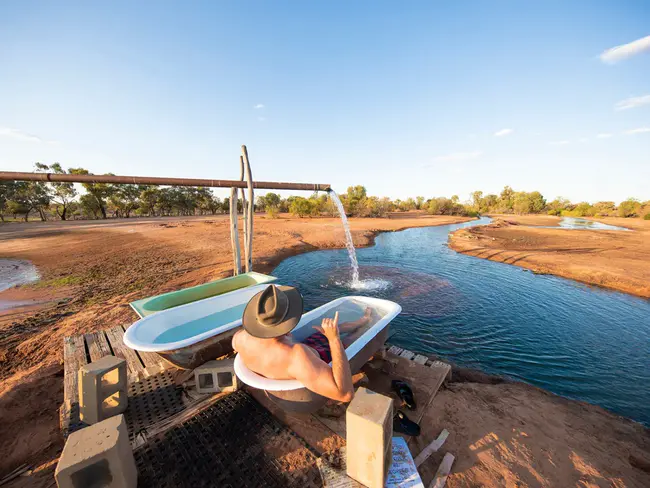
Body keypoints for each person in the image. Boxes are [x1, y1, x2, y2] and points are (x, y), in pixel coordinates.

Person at [232, 284, 372, 403]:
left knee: (329, 330)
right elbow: (345, 394)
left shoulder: (240, 338)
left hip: (302, 355)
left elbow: (243, 347)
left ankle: (362, 320)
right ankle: (366, 325)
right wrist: (334, 339)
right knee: (349, 340)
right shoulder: (297, 356)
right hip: (316, 361)